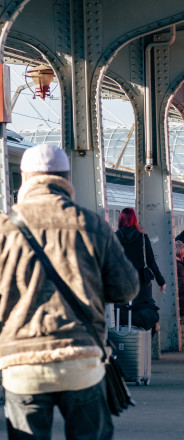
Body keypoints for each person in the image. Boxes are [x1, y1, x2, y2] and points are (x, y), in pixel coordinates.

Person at [0, 144, 139, 439]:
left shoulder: (4, 230)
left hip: (22, 365)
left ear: (24, 179)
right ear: (66, 179)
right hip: (81, 361)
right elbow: (126, 288)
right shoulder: (92, 225)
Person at [115, 207, 165, 330]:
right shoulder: (142, 238)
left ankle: (123, 337)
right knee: (142, 309)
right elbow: (151, 262)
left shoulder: (114, 237)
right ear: (134, 220)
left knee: (122, 309)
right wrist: (161, 281)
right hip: (140, 282)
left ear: (120, 220)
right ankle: (144, 338)